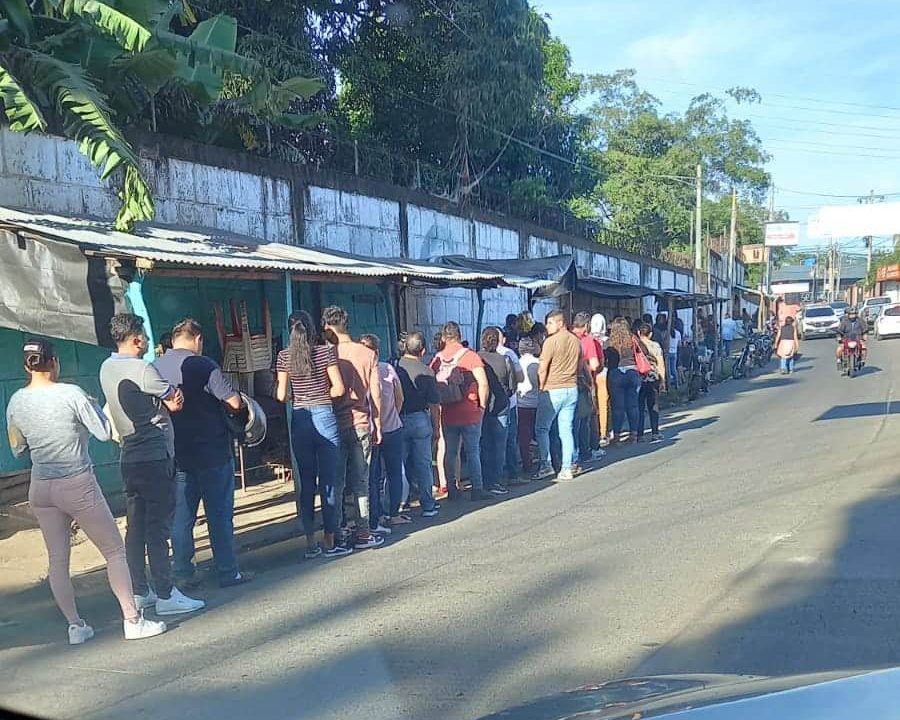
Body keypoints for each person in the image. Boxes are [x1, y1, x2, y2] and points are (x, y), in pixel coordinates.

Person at [6, 339, 167, 644]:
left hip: (41, 485)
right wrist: (92, 406)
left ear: (26, 365)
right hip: (77, 481)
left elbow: (17, 449)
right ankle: (132, 620)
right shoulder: (71, 394)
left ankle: (75, 626)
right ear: (54, 362)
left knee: (57, 560)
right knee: (114, 551)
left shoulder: (16, 401)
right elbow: (104, 432)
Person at [99, 314, 205, 614]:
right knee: (159, 528)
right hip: (155, 455)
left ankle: (139, 590)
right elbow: (174, 401)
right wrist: (168, 399)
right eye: (143, 336)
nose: (146, 341)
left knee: (136, 527)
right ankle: (166, 593)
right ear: (135, 339)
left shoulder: (106, 367)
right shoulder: (142, 369)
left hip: (129, 456)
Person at [154, 318, 251, 587]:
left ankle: (183, 573)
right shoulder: (204, 365)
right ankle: (227, 572)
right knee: (219, 515)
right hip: (212, 452)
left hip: (177, 453)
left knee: (182, 519)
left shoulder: (155, 367)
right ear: (197, 339)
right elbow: (233, 402)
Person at [275, 311, 348, 558]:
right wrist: (323, 394)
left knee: (306, 483)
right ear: (312, 329)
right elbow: (338, 388)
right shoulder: (325, 352)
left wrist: (299, 396)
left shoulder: (284, 357)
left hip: (300, 419)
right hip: (324, 416)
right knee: (329, 480)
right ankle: (329, 540)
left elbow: (281, 396)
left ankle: (309, 542)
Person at [322, 305, 384, 549]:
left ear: (327, 326)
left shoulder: (326, 354)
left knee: (336, 482)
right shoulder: (367, 354)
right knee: (361, 481)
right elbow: (376, 394)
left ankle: (337, 533)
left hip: (334, 424)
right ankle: (363, 533)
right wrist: (377, 424)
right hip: (360, 422)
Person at [429, 321, 492, 501]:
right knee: (473, 451)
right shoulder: (470, 356)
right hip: (470, 410)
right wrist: (482, 407)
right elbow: (484, 383)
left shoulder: (438, 359)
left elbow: (432, 385)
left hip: (448, 412)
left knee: (450, 451)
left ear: (443, 337)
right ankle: (477, 489)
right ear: (460, 335)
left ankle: (452, 489)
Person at [360, 334, 408, 528]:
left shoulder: (359, 372)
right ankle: (394, 512)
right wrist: (392, 414)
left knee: (373, 476)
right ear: (377, 352)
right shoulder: (387, 369)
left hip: (369, 430)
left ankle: (376, 514)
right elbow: (400, 398)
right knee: (394, 472)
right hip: (392, 428)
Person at [396, 331, 440, 518]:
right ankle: (428, 504)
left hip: (398, 419)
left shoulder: (395, 367)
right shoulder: (427, 372)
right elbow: (434, 405)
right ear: (422, 351)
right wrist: (437, 428)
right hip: (420, 419)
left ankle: (398, 504)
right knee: (423, 464)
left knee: (399, 465)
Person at [533, 310, 582, 481]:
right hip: (571, 387)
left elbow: (542, 367)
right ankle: (567, 467)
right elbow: (579, 364)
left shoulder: (550, 342)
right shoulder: (576, 341)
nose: (547, 327)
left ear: (560, 323)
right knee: (566, 430)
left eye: (550, 323)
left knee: (542, 428)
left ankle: (546, 465)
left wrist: (541, 387)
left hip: (553, 388)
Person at [478, 327, 515, 496]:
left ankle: (485, 480)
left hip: (482, 407)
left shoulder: (477, 358)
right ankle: (496, 481)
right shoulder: (504, 360)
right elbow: (512, 386)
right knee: (500, 446)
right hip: (501, 406)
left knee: (484, 445)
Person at [572, 312, 604, 464]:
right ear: (586, 325)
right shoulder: (588, 340)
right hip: (584, 382)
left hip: (565, 383)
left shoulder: (567, 337)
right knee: (585, 418)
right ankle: (586, 451)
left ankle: (572, 452)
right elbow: (595, 364)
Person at [605, 317, 642, 443]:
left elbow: (605, 358)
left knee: (617, 407)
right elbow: (645, 351)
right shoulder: (633, 339)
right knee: (633, 405)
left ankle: (616, 436)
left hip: (616, 374)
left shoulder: (610, 342)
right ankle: (634, 434)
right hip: (632, 372)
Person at [497, 327, 525, 484]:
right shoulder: (509, 354)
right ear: (503, 339)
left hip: (489, 404)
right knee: (510, 438)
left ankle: (496, 476)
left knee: (490, 442)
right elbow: (520, 377)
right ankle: (513, 474)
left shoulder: (480, 355)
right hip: (510, 402)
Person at [515, 337, 540, 476]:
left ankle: (526, 463)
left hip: (522, 403)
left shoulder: (517, 363)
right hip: (537, 402)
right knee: (541, 433)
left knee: (524, 436)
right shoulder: (538, 363)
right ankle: (544, 460)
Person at [636, 324, 666, 442]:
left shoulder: (636, 344)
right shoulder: (655, 346)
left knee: (640, 407)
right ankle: (655, 432)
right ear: (651, 334)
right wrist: (663, 380)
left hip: (640, 378)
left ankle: (640, 434)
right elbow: (660, 364)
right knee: (653, 406)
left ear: (639, 333)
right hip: (653, 378)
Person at [590, 313, 611, 446]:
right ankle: (603, 432)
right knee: (604, 405)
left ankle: (594, 432)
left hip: (591, 374)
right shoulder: (607, 341)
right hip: (604, 373)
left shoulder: (588, 339)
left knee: (593, 405)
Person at [668, 323, 682, 390]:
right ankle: (677, 384)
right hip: (674, 352)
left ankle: (669, 386)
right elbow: (679, 344)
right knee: (674, 369)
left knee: (668, 370)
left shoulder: (666, 333)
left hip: (667, 352)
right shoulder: (678, 333)